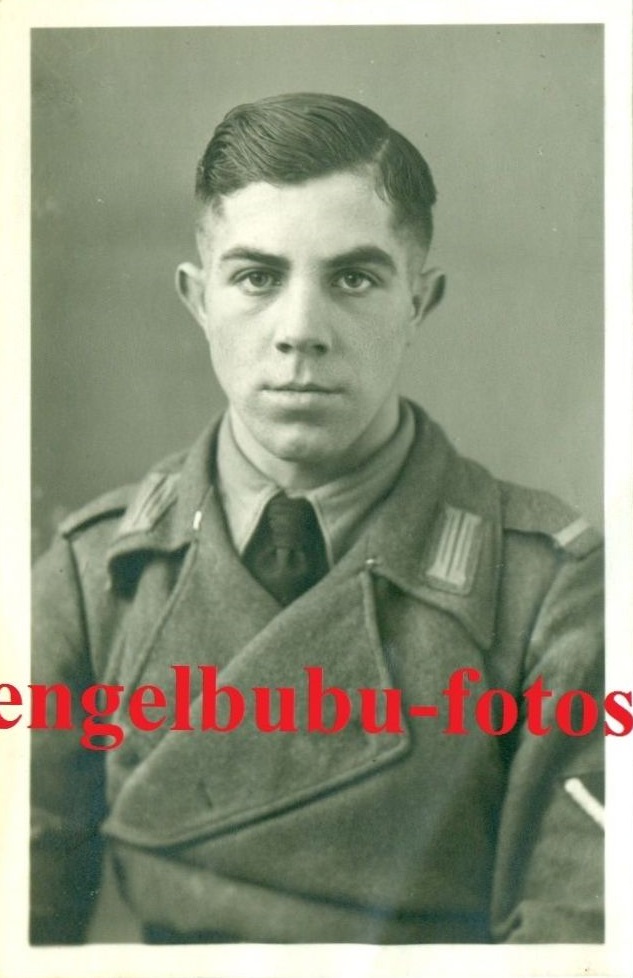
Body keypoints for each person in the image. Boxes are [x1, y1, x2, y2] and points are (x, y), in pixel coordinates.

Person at [30, 93, 603, 945]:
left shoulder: (548, 593)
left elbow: (576, 941)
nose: (301, 332)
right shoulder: (91, 578)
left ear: (419, 302)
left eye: (354, 279)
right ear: (198, 299)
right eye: (257, 279)